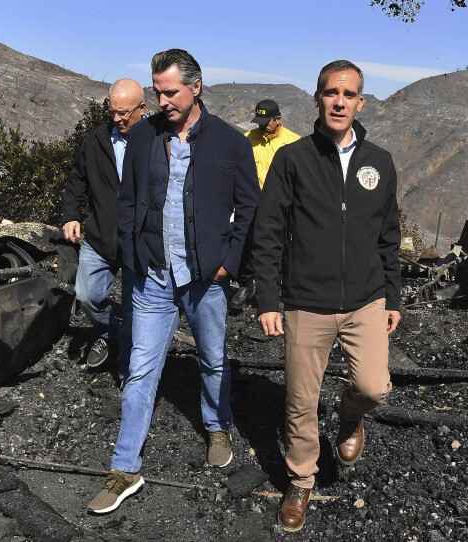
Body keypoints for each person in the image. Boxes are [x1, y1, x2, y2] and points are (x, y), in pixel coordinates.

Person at [87, 48, 259, 514]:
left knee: (213, 357)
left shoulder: (229, 143)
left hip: (206, 277)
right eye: (157, 92)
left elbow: (250, 208)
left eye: (170, 91)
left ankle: (217, 425)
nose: (162, 100)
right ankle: (124, 467)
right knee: (141, 368)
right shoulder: (143, 136)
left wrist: (228, 262)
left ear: (196, 87)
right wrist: (132, 253)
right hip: (152, 277)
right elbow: (128, 201)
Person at [251, 60, 402, 532]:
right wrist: (267, 300)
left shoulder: (379, 161)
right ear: (317, 99)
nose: (340, 101)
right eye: (331, 93)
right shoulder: (292, 159)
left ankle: (350, 418)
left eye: (349, 94)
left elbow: (389, 236)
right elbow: (268, 233)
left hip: (365, 298)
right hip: (305, 301)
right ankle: (301, 481)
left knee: (375, 386)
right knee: (299, 400)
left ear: (360, 102)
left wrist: (393, 295)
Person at [61, 79, 146, 378]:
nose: (117, 118)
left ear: (142, 109)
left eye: (124, 112)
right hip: (100, 236)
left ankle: (128, 370)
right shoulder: (95, 140)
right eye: (113, 111)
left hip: (140, 242)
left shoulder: (157, 140)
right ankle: (108, 332)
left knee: (137, 310)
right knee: (86, 294)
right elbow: (77, 180)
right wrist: (71, 214)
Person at [229, 99, 300, 309]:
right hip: (251, 203)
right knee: (246, 243)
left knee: (277, 248)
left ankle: (272, 292)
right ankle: (245, 285)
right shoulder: (247, 140)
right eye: (258, 121)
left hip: (281, 205)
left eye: (266, 121)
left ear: (278, 119)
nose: (261, 126)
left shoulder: (293, 143)